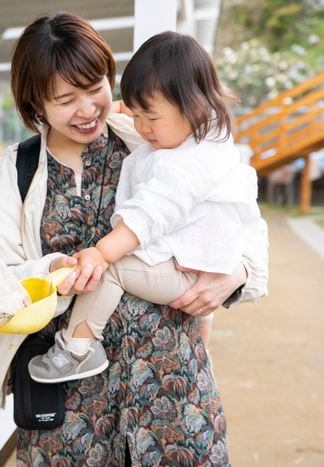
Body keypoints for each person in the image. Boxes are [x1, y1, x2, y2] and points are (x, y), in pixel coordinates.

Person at [0, 12, 269, 467]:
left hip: (173, 387)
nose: (88, 108)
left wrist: (236, 273)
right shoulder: (16, 173)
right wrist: (49, 272)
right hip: (71, 408)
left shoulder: (154, 136)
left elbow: (239, 216)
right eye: (65, 99)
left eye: (95, 87)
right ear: (36, 103)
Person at [27, 31, 261, 384]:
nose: (141, 127)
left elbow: (152, 212)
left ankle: (77, 348)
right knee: (201, 323)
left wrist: (103, 252)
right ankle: (204, 360)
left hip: (185, 271)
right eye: (134, 114)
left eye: (150, 118)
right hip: (198, 263)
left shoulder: (183, 163)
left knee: (113, 269)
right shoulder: (201, 141)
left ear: (194, 105)